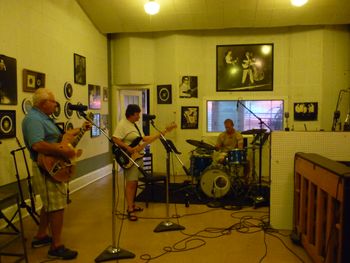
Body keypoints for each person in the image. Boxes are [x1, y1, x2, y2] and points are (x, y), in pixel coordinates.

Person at [22, 88, 91, 260]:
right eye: (53, 101)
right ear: (42, 103)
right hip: (45, 167)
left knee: (49, 204)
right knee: (57, 206)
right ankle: (56, 246)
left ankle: (40, 236)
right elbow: (37, 145)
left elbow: (64, 144)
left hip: (54, 165)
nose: (56, 104)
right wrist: (62, 149)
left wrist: (81, 131)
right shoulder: (32, 119)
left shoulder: (45, 119)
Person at [112, 104, 171, 221]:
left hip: (138, 156)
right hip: (130, 157)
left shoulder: (135, 125)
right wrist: (127, 148)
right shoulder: (122, 124)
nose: (139, 117)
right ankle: (130, 209)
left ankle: (132, 204)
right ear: (132, 114)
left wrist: (160, 134)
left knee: (134, 183)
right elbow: (115, 139)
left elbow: (143, 139)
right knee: (131, 183)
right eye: (137, 114)